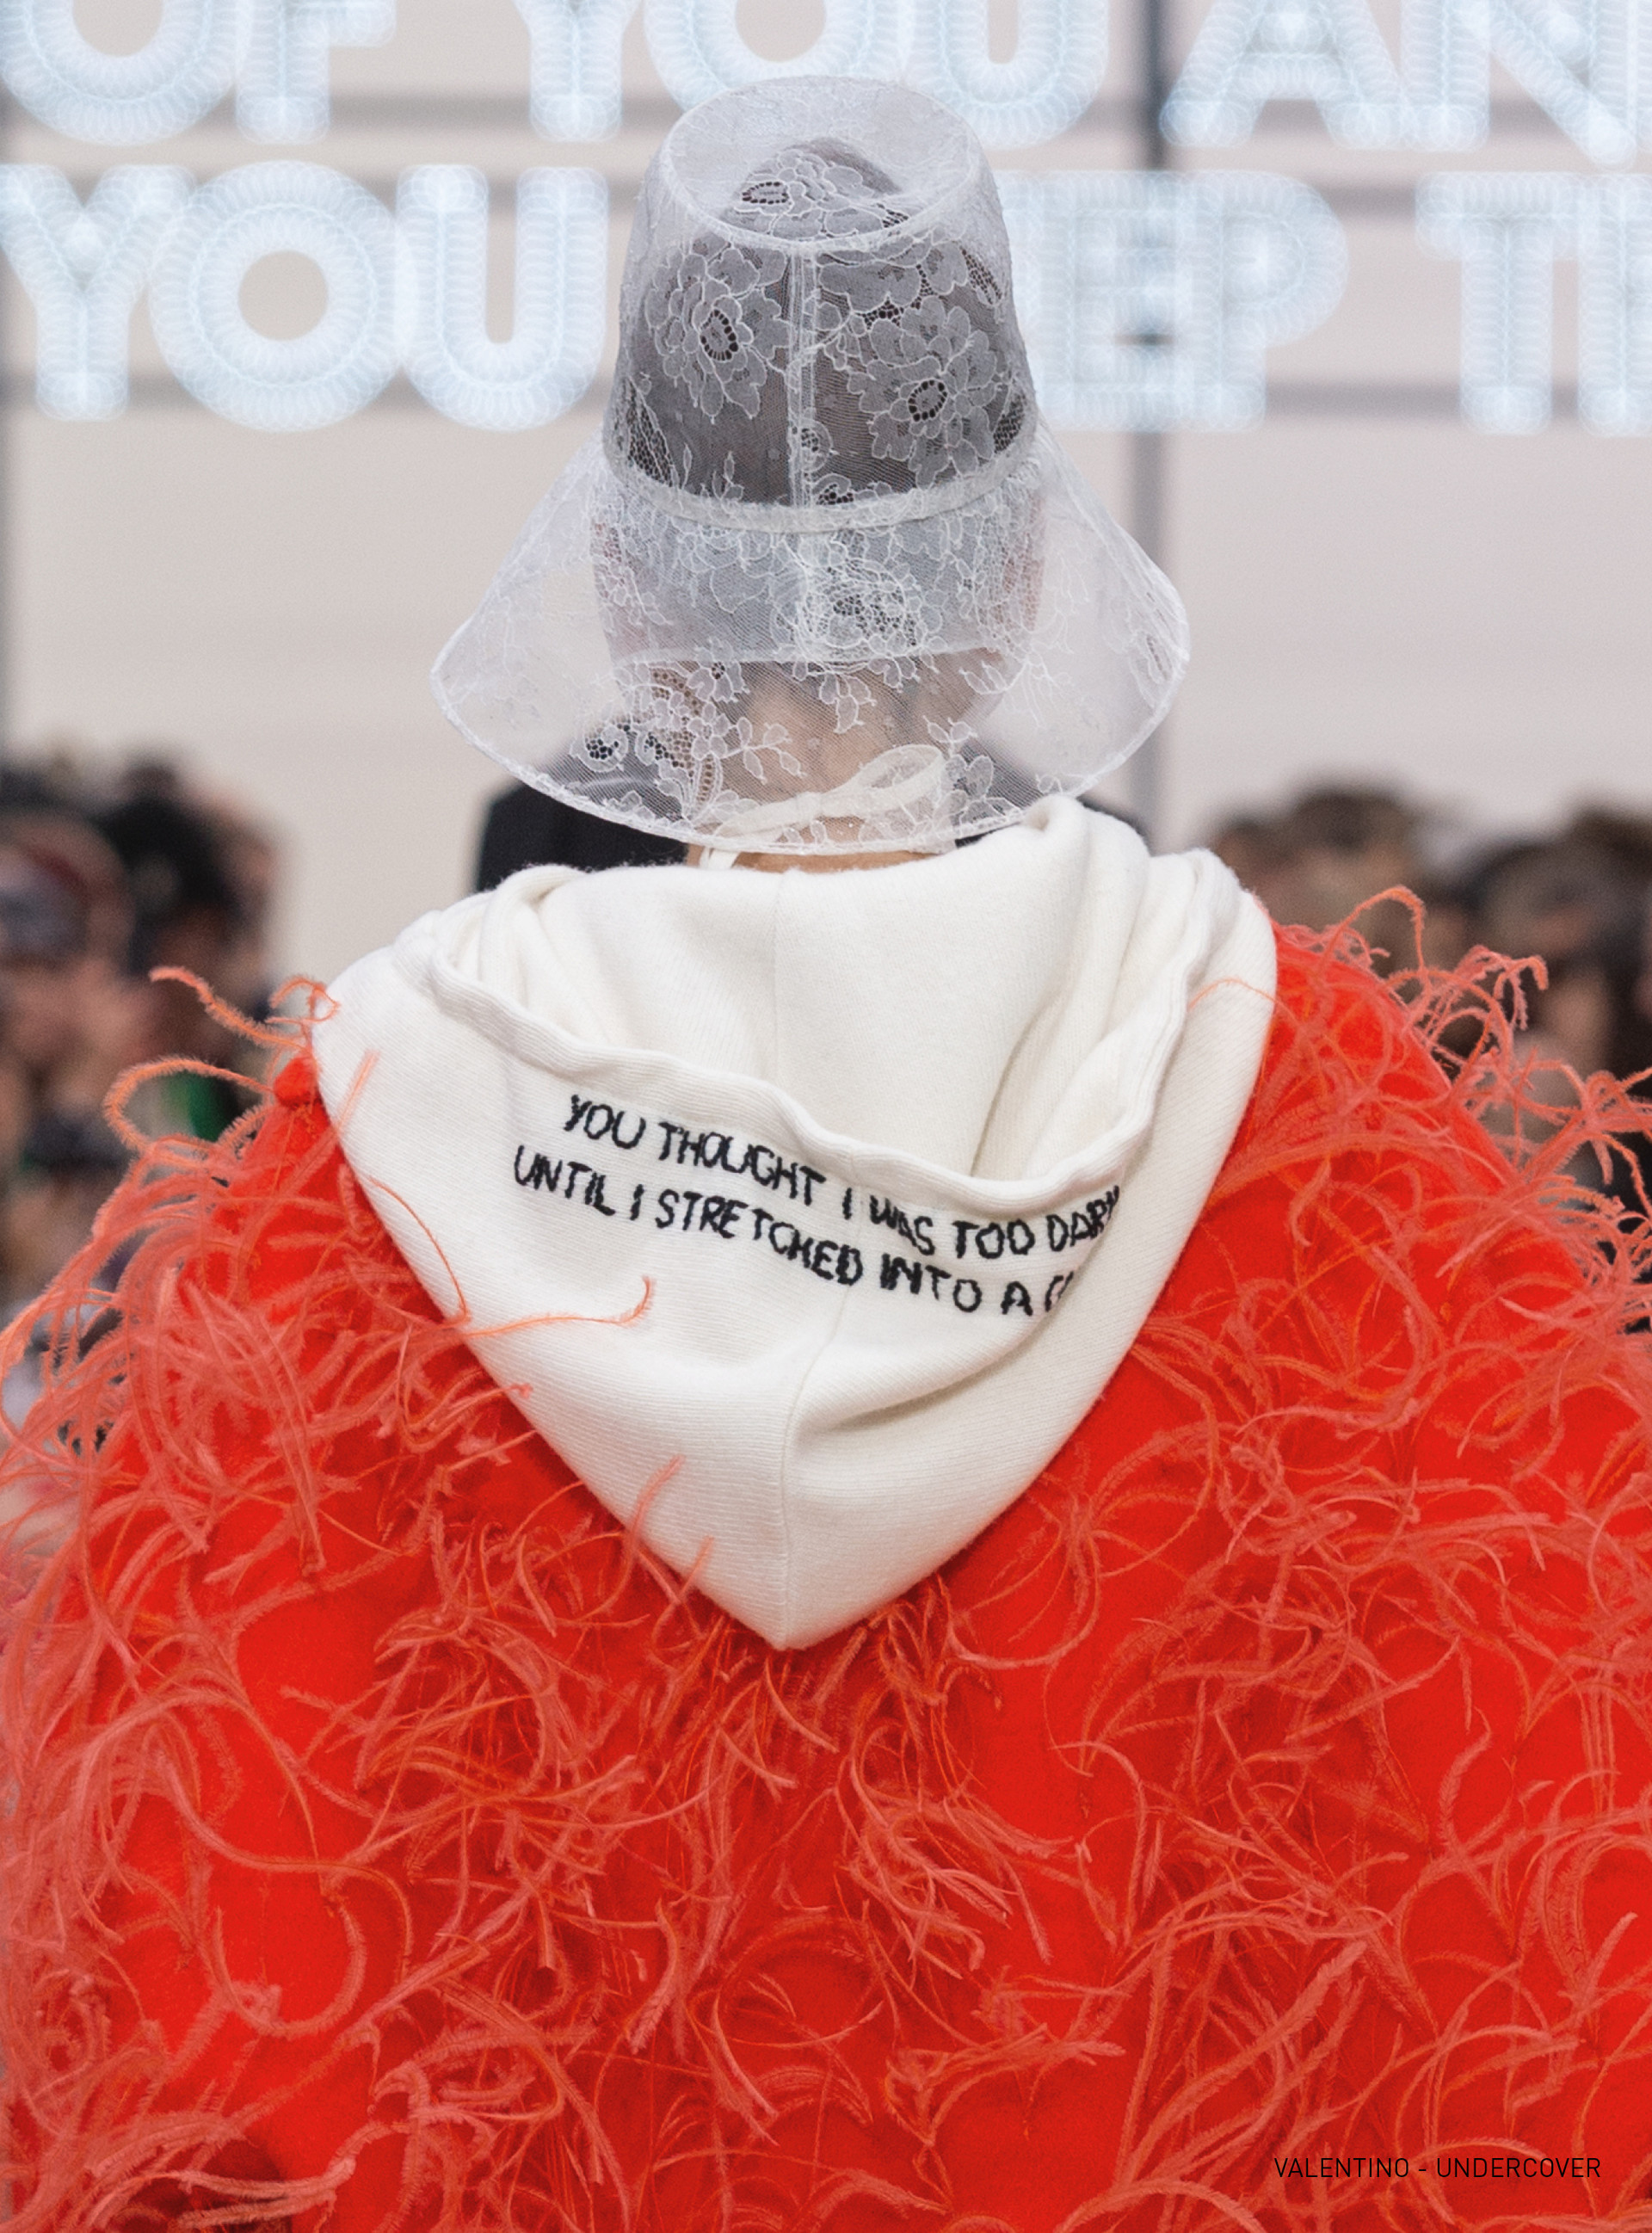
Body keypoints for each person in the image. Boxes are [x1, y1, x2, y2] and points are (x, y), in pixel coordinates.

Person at [3, 78, 1652, 2233]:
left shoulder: (387, 1113)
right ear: (1020, 571)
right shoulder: (1291, 1077)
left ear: (625, 576)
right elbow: (1528, 1865)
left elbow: (186, 1955)